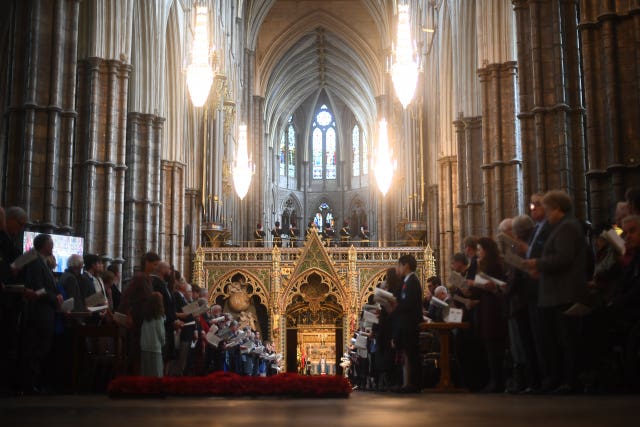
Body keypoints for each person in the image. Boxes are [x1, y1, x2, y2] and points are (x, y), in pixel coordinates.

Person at [523, 190, 587, 393]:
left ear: (557, 208)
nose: (546, 213)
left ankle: (569, 381)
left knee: (566, 339)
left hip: (564, 292)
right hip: (555, 291)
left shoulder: (567, 227)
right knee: (556, 339)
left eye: (548, 209)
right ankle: (560, 379)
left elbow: (563, 258)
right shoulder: (560, 227)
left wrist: (537, 263)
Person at [21, 234, 61, 394]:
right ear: (44, 245)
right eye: (51, 244)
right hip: (40, 313)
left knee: (41, 349)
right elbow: (38, 288)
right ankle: (30, 385)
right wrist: (54, 297)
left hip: (45, 312)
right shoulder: (36, 261)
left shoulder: (41, 261)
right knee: (36, 349)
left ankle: (35, 383)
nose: (53, 247)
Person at [473, 237, 507, 393]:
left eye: (479, 250)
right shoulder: (484, 266)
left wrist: (484, 285)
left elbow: (501, 287)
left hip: (494, 309)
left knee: (495, 347)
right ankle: (493, 380)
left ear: (487, 250)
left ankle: (498, 381)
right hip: (486, 308)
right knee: (489, 347)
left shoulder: (495, 266)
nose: (478, 253)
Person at [392, 254, 423, 393]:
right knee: (407, 354)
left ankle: (413, 384)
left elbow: (409, 303)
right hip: (405, 323)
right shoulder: (407, 281)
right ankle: (407, 383)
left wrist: (395, 306)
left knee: (411, 353)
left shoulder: (412, 281)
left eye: (399, 265)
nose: (398, 268)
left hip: (410, 323)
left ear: (406, 265)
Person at [140, 292, 166, 377]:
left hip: (144, 347)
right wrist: (163, 343)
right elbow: (161, 333)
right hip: (155, 348)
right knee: (156, 374)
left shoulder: (145, 318)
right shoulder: (159, 318)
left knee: (146, 374)